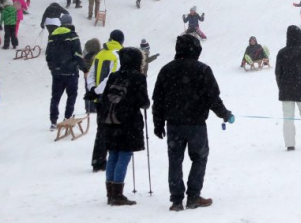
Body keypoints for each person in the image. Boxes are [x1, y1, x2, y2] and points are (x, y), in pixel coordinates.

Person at [152, 33, 234, 211]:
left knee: (175, 160)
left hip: (173, 124)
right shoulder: (202, 70)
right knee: (199, 158)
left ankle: (176, 200)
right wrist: (224, 114)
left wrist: (158, 123)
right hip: (196, 124)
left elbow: (157, 99)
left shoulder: (166, 70)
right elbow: (213, 98)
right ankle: (193, 197)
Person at [99, 47, 150, 207]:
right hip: (128, 122)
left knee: (113, 153)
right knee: (124, 154)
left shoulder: (114, 76)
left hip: (111, 121)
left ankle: (111, 193)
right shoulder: (138, 78)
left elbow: (105, 98)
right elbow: (143, 102)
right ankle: (118, 194)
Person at [87, 30, 125, 172]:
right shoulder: (118, 55)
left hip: (99, 98)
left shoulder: (101, 53)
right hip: (111, 97)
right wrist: (98, 90)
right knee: (115, 128)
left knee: (101, 130)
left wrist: (92, 88)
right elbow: (112, 77)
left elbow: (90, 74)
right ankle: (114, 159)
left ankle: (98, 160)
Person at [46, 13, 88, 130]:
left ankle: (53, 121)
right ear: (70, 22)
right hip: (71, 72)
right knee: (72, 95)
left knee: (55, 97)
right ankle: (67, 117)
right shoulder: (73, 36)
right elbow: (78, 55)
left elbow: (48, 55)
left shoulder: (52, 36)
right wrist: (84, 68)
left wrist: (52, 67)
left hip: (57, 73)